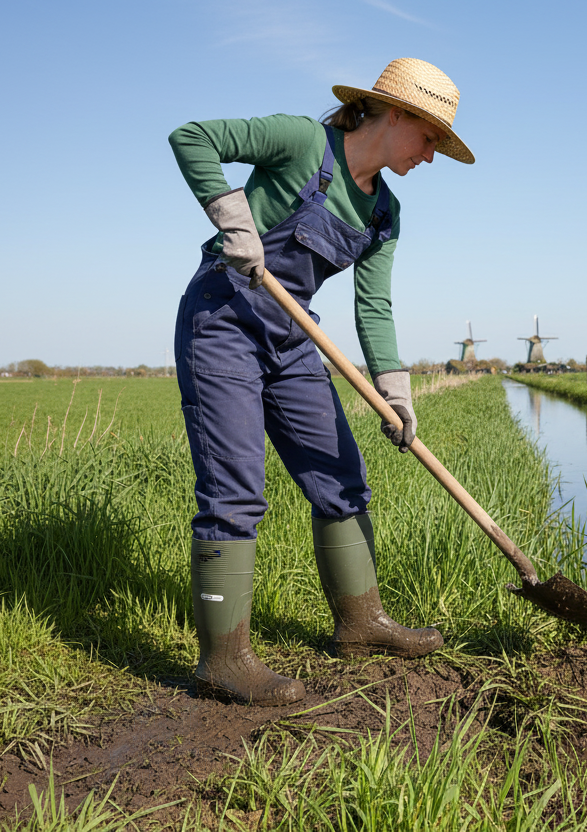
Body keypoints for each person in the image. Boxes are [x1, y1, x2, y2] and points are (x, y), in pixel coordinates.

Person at [169, 58, 474, 706]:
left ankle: (361, 624)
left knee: (342, 476)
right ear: (397, 114)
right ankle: (223, 661)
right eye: (429, 139)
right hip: (222, 321)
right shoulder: (304, 143)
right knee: (235, 493)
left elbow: (374, 306)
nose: (430, 155)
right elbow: (192, 137)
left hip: (290, 334)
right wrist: (234, 222)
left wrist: (395, 391)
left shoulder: (384, 214)